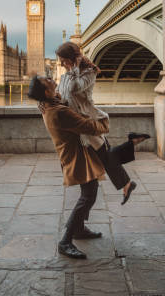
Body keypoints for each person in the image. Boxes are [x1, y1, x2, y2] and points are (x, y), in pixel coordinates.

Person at [56, 41, 149, 204]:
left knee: (104, 155)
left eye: (63, 60)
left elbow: (73, 89)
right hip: (77, 123)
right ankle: (130, 158)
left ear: (73, 59)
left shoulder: (89, 72)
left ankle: (126, 180)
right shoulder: (66, 75)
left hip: (87, 121)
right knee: (106, 155)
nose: (61, 64)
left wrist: (74, 69)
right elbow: (60, 93)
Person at [28, 74, 109, 260]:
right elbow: (88, 126)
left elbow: (60, 101)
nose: (49, 77)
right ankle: (65, 241)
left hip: (71, 153)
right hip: (76, 156)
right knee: (88, 196)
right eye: (46, 80)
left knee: (88, 192)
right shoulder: (59, 112)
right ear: (47, 91)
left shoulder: (47, 104)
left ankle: (79, 229)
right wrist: (104, 120)